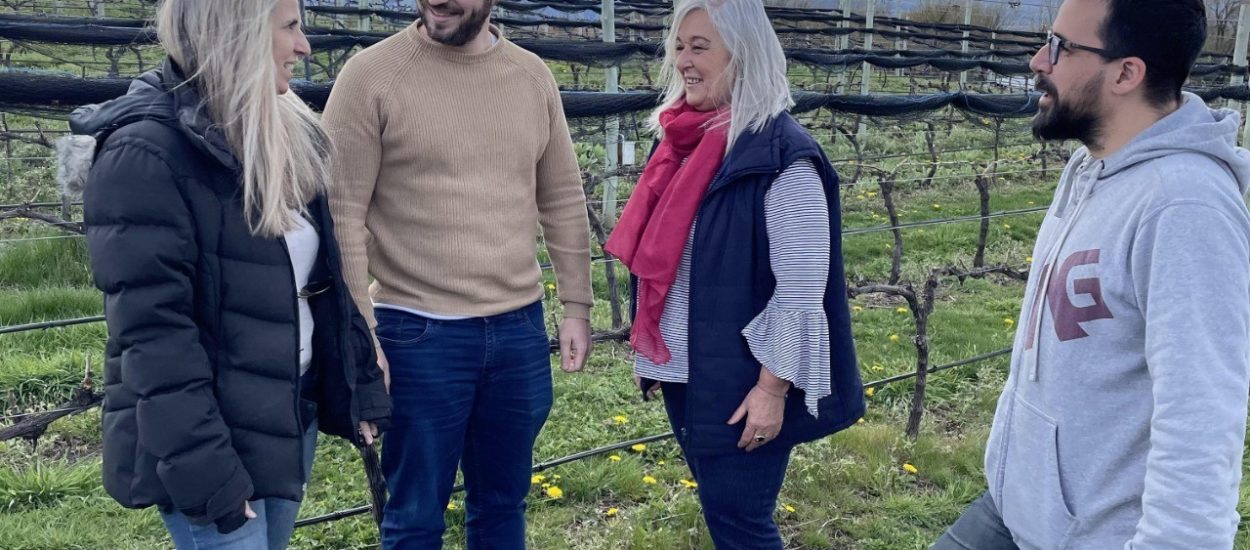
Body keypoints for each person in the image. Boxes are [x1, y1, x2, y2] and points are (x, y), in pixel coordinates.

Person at [62, 0, 391, 548]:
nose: (304, 46)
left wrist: (358, 386)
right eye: (289, 28)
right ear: (235, 35)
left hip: (286, 417)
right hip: (209, 442)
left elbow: (319, 283)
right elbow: (154, 339)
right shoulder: (145, 157)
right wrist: (209, 471)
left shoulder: (286, 132)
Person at [933, 0, 1250, 548]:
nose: (1037, 60)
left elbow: (1202, 424)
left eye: (1060, 47)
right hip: (1014, 509)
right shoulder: (1089, 168)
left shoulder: (1184, 207)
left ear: (1127, 73)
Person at [320, 0, 594, 546]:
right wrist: (361, 332)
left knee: (502, 505)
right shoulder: (371, 76)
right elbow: (340, 212)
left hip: (517, 332)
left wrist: (577, 306)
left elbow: (561, 196)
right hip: (417, 335)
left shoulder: (530, 77)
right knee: (415, 516)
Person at [603, 1, 864, 548]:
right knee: (726, 517)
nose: (684, 62)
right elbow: (673, 267)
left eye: (700, 48)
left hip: (744, 383)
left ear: (744, 57)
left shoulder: (782, 158)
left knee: (742, 525)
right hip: (690, 373)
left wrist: (771, 390)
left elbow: (800, 293)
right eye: (678, 47)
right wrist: (657, 352)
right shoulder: (684, 143)